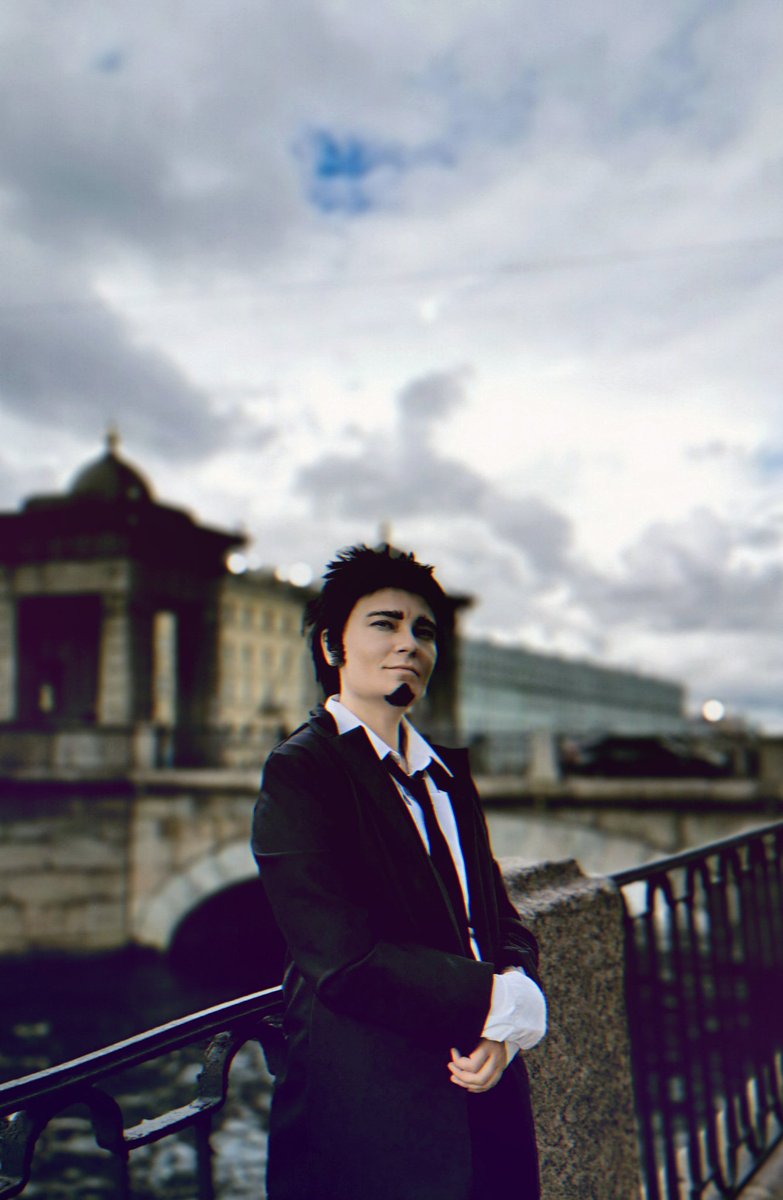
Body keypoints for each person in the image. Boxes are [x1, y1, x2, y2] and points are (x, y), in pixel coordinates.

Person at [252, 544, 546, 1200]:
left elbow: (494, 918)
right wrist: (501, 1001)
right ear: (333, 646)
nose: (409, 643)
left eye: (424, 630)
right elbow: (341, 959)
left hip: (483, 1091)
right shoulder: (302, 771)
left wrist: (505, 1025)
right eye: (384, 623)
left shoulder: (446, 775)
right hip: (375, 1114)